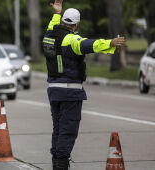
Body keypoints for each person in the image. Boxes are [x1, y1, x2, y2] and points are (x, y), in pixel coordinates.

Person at [42, 0, 125, 169]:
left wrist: (57, 13)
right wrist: (109, 43)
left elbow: (52, 26)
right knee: (68, 131)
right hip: (70, 92)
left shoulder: (49, 36)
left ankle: (57, 162)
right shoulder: (72, 40)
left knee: (58, 130)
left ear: (63, 21)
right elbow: (88, 45)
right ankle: (61, 165)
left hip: (53, 91)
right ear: (76, 24)